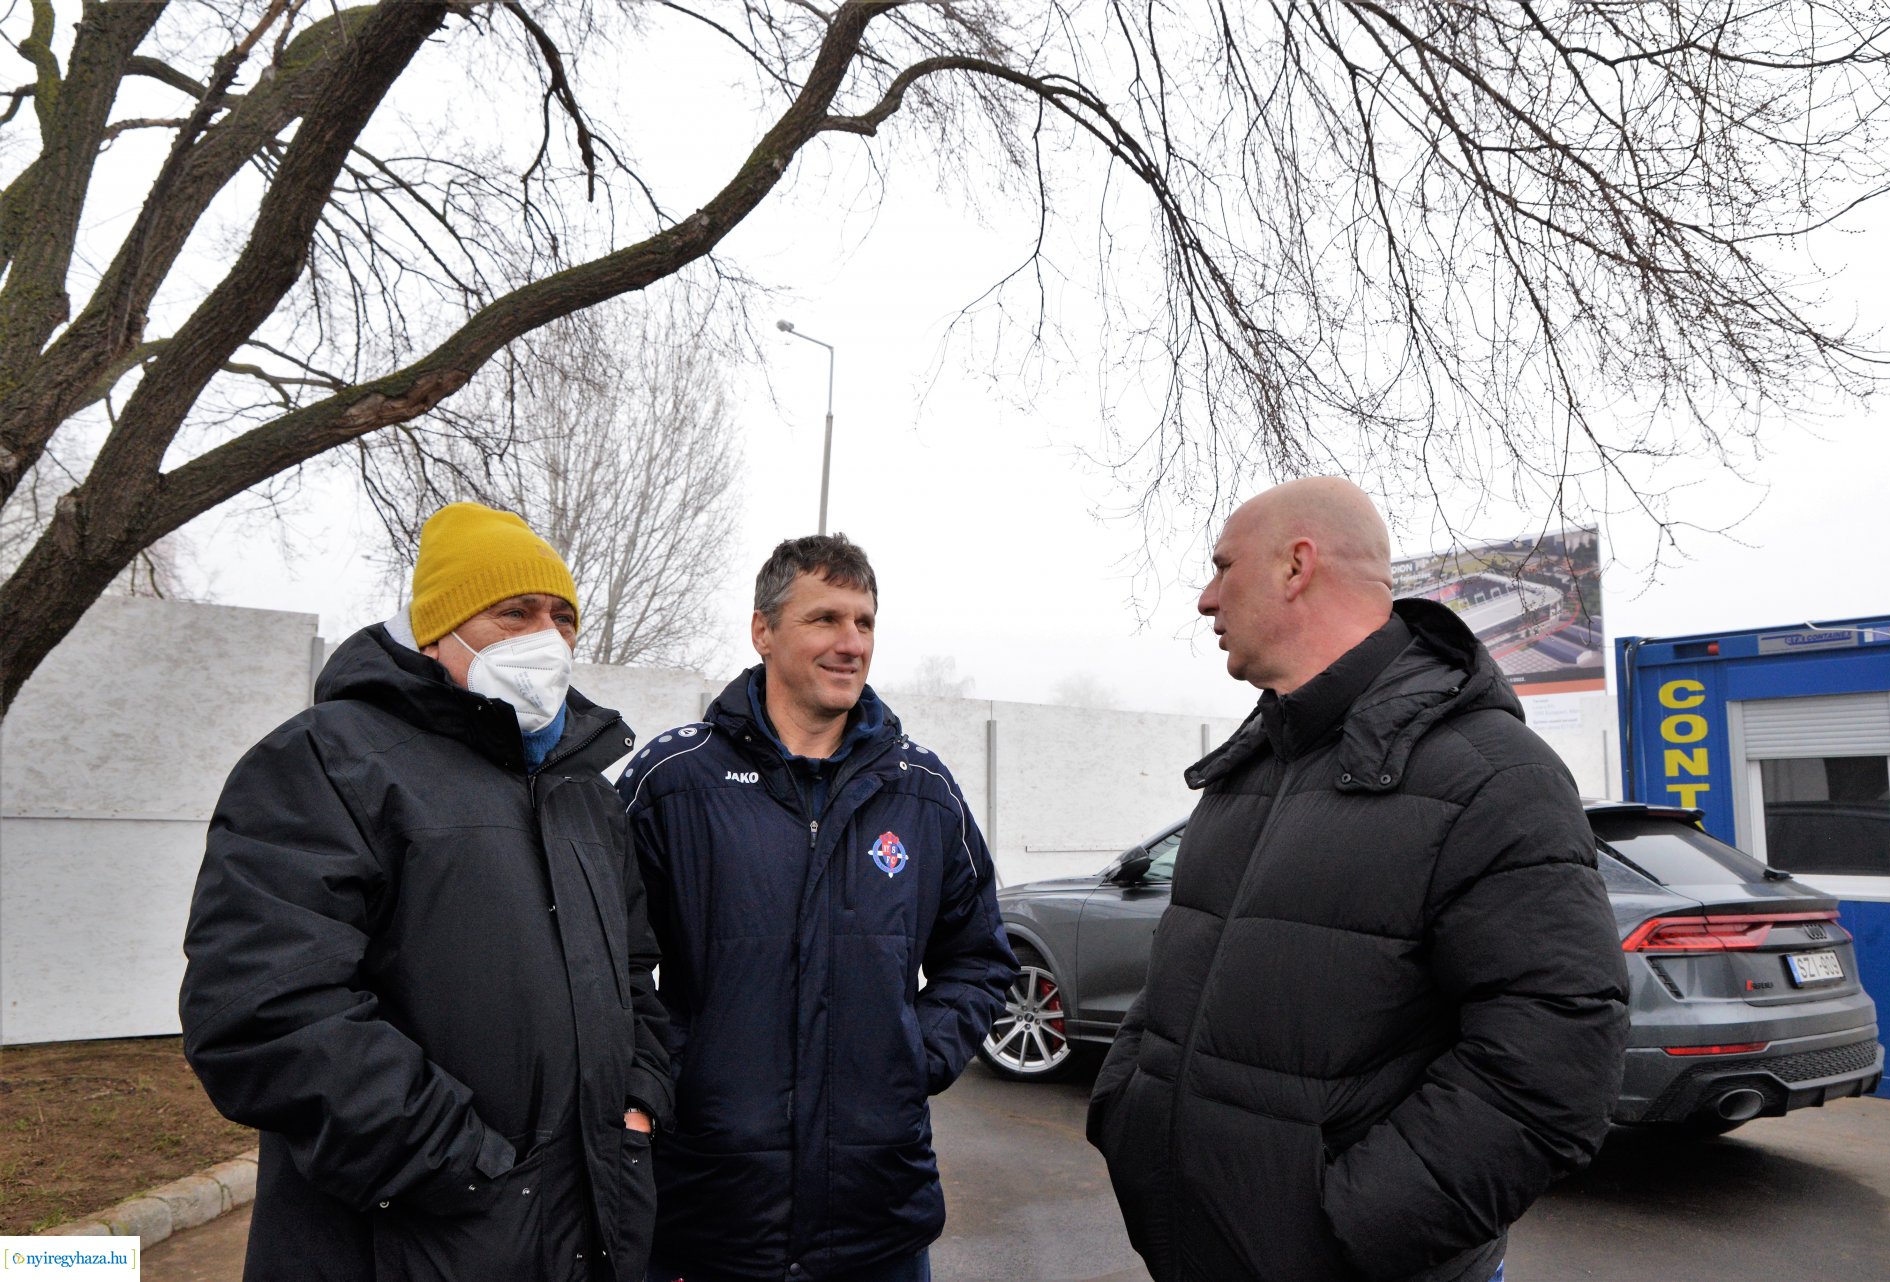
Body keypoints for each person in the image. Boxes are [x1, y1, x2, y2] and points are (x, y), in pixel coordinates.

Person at [1088, 479, 1629, 1282]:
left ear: (1296, 565)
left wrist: (1342, 1233)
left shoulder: (1493, 775)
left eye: (1222, 566)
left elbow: (1553, 1062)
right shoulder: (1251, 767)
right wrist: (1127, 1113)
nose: (1205, 599)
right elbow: (1178, 986)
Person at [180, 502, 673, 1282]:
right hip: (405, 1244)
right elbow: (262, 1010)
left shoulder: (587, 796)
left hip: (580, 1237)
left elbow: (634, 980)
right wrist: (463, 1163)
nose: (546, 637)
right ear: (438, 629)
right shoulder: (327, 763)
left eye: (562, 617)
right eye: (514, 612)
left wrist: (636, 1108)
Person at [617, 533, 1017, 1282]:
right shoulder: (673, 781)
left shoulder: (923, 792)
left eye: (864, 623)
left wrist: (914, 1053)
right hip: (713, 1213)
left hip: (877, 1221)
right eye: (826, 619)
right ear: (763, 630)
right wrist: (676, 1071)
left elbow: (979, 956)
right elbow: (606, 960)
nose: (851, 643)